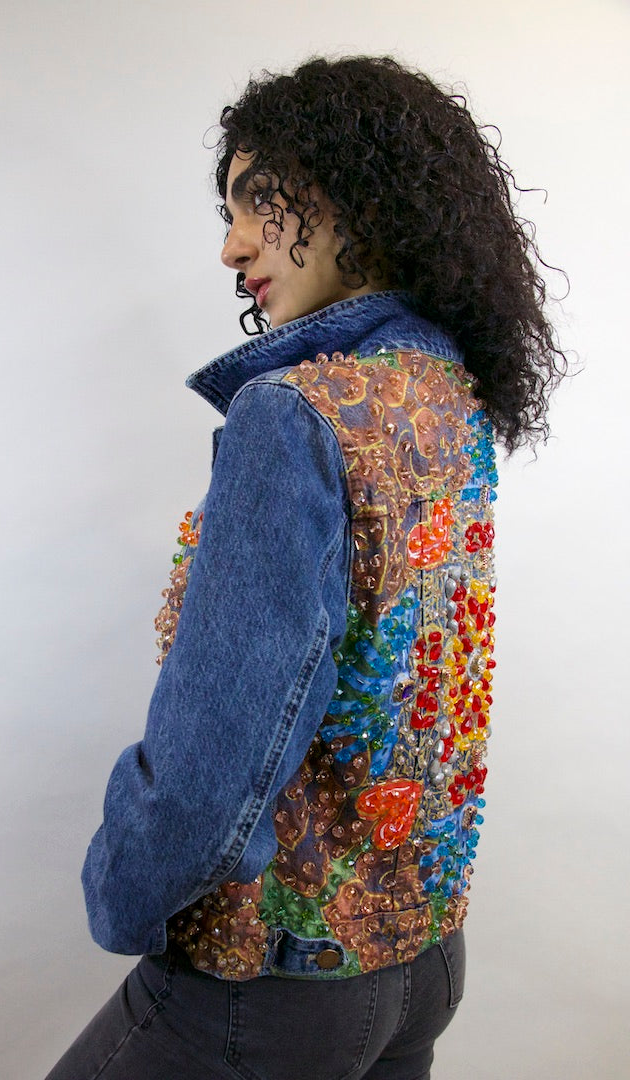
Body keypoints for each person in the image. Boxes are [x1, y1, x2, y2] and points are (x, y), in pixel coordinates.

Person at [46, 56, 566, 1080]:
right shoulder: (442, 393)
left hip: (271, 988)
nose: (232, 244)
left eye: (261, 200)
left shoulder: (292, 414)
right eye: (228, 211)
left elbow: (220, 752)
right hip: (422, 963)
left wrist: (119, 892)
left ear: (358, 197)